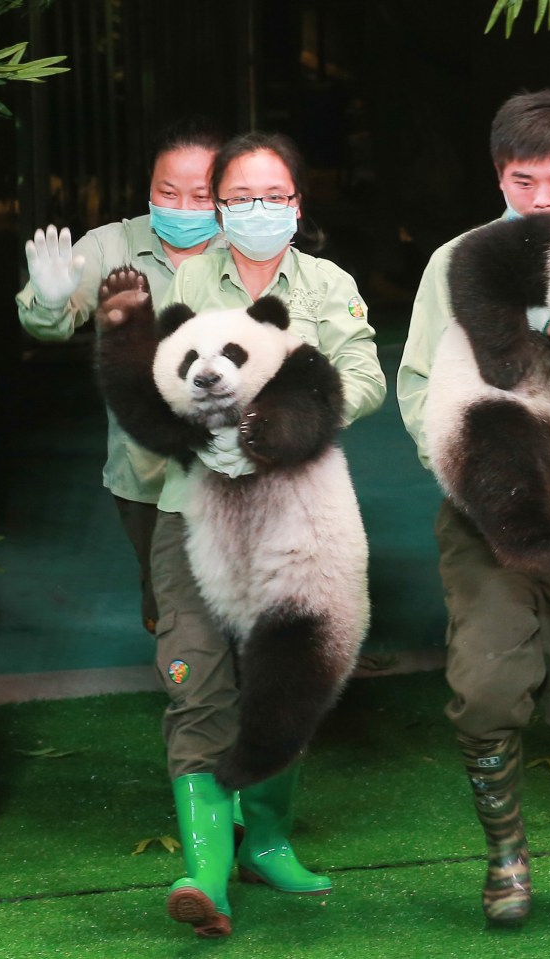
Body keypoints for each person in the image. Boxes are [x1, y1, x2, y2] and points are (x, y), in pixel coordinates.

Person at [397, 88, 550, 935]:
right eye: (523, 178)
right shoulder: (456, 261)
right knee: (488, 684)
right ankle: (507, 859)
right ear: (498, 174)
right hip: (488, 510)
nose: (542, 197)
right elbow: (419, 389)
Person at [153, 131, 387, 938]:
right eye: (241, 198)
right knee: (199, 679)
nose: (258, 210)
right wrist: (199, 426)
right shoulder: (188, 279)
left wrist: (289, 423)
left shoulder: (326, 283)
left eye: (274, 196)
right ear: (218, 205)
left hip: (299, 512)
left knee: (286, 677)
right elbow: (156, 378)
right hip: (197, 509)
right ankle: (207, 870)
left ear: (297, 202)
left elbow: (363, 373)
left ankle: (272, 839)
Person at [16, 119, 224, 636]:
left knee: (237, 588)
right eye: (167, 192)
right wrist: (52, 297)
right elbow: (51, 326)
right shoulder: (112, 245)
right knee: (169, 594)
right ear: (148, 188)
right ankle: (188, 682)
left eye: (201, 196)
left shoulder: (240, 248)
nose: (181, 208)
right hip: (146, 470)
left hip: (232, 461)